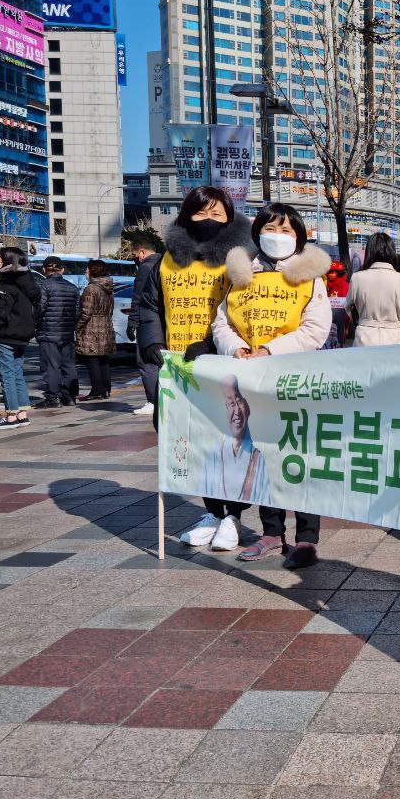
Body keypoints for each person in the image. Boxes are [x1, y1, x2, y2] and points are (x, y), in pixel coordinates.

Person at [136, 184, 257, 550]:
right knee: (191, 443)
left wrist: (214, 341)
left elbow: (248, 311)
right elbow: (148, 307)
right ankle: (212, 512)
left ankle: (233, 515)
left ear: (230, 217)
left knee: (231, 442)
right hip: (178, 369)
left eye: (217, 213)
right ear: (187, 215)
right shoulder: (164, 261)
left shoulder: (243, 258)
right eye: (201, 213)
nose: (209, 219)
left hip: (225, 365)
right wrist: (153, 342)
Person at [212, 202, 330, 568]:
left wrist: (270, 349)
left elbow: (315, 330)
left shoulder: (311, 277)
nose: (277, 237)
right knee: (263, 454)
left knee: (302, 455)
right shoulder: (239, 276)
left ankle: (307, 538)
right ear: (257, 232)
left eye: (287, 230)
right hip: (253, 380)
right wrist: (238, 348)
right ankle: (271, 533)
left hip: (297, 380)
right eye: (270, 228)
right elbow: (221, 323)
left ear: (299, 237)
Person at [0, 247, 42, 430]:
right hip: (23, 335)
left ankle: (11, 416)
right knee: (17, 375)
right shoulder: (27, 283)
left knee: (7, 375)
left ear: (9, 262)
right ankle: (22, 414)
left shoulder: (5, 285)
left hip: (6, 335)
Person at [197, 374, 269, 505]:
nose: (236, 411)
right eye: (230, 403)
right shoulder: (212, 455)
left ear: (247, 407)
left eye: (239, 401)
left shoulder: (258, 458)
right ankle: (214, 515)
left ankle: (233, 516)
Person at [346, 231, 400, 346]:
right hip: (394, 337)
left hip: (364, 337)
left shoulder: (357, 277)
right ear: (392, 252)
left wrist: (362, 320)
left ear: (369, 251)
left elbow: (348, 307)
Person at [33, 256, 80, 408]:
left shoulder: (43, 285)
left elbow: (40, 308)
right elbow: (78, 311)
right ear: (62, 270)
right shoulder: (72, 288)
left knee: (51, 366)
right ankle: (70, 396)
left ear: (44, 270)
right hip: (67, 332)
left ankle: (53, 397)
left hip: (48, 331)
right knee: (69, 366)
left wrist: (36, 323)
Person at [128, 234, 163, 416]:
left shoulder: (145, 268)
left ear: (141, 252)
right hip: (163, 321)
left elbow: (139, 298)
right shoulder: (164, 264)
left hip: (147, 320)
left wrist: (132, 322)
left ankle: (153, 401)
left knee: (146, 361)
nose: (135, 259)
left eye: (134, 254)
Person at [75, 259, 117, 401]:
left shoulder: (91, 289)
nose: (85, 272)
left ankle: (97, 390)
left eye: (87, 270)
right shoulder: (108, 288)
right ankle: (105, 389)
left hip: (92, 326)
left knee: (92, 359)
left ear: (93, 271)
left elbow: (86, 313)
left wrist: (78, 326)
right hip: (105, 324)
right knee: (103, 359)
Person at [323, 258, 349, 350]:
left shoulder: (344, 285)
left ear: (338, 273)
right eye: (329, 272)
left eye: (334, 272)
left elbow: (346, 304)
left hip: (340, 318)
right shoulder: (324, 284)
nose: (331, 274)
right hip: (326, 317)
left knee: (338, 342)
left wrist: (346, 323)